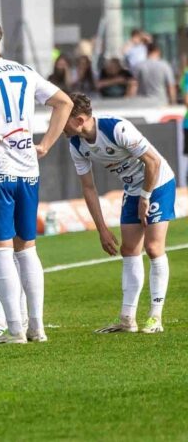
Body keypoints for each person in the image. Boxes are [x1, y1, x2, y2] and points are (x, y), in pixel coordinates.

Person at [0, 17, 73, 344]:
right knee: (27, 249)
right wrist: (46, 144)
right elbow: (64, 102)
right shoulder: (23, 70)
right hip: (27, 169)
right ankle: (37, 327)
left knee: (0, 250)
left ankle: (15, 330)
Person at [63, 93, 174, 333]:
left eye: (63, 119)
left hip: (158, 183)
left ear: (80, 119)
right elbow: (88, 187)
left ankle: (155, 317)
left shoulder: (116, 128)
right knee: (129, 250)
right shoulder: (76, 144)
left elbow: (153, 162)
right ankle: (127, 319)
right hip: (134, 189)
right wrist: (102, 229)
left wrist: (145, 197)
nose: (58, 125)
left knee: (154, 248)